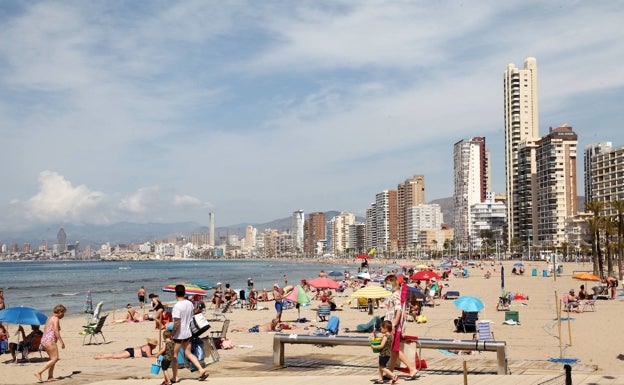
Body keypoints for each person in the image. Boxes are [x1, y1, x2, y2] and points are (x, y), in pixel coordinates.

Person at [384, 274, 418, 380]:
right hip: (393, 325)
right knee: (394, 350)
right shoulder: (393, 294)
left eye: (387, 284)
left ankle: (412, 369)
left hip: (394, 326)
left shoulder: (395, 295)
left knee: (395, 349)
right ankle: (391, 372)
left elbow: (398, 310)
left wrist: (393, 324)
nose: (386, 286)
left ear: (392, 283)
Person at [171, 284, 208, 382]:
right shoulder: (189, 303)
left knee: (174, 355)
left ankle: (175, 377)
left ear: (176, 294)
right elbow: (192, 314)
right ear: (184, 293)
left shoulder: (177, 307)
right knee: (188, 353)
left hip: (179, 335)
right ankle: (201, 369)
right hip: (188, 332)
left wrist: (172, 334)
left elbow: (177, 322)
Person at [35, 304, 67, 383]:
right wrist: (61, 341)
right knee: (55, 358)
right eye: (63, 313)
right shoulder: (55, 318)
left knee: (52, 359)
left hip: (44, 339)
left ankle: (50, 376)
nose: (63, 315)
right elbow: (56, 331)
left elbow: (47, 328)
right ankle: (39, 372)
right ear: (60, 312)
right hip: (50, 340)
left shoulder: (49, 318)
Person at [371, 320, 399, 384]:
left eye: (381, 328)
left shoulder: (385, 336)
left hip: (384, 354)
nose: (380, 330)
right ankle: (380, 379)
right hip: (388, 354)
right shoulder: (391, 336)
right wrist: (374, 333)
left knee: (382, 367)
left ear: (386, 328)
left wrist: (373, 347)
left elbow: (381, 346)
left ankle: (394, 376)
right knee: (380, 366)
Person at [93, 338, 158, 359]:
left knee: (115, 354)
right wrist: (156, 355)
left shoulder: (147, 346)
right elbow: (149, 356)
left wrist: (156, 354)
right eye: (155, 345)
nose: (156, 346)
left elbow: (149, 355)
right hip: (131, 352)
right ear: (153, 345)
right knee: (115, 356)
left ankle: (101, 355)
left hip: (130, 350)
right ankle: (100, 357)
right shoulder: (148, 347)